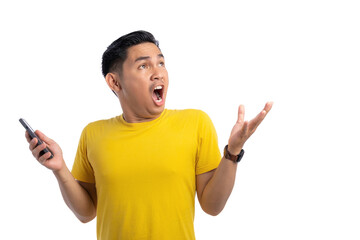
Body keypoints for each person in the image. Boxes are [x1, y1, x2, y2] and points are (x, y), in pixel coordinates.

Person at [25, 30, 273, 240]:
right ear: (114, 82)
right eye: (144, 65)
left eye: (161, 63)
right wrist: (59, 169)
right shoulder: (93, 134)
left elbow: (213, 206)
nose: (158, 73)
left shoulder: (195, 123)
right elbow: (86, 213)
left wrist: (233, 152)